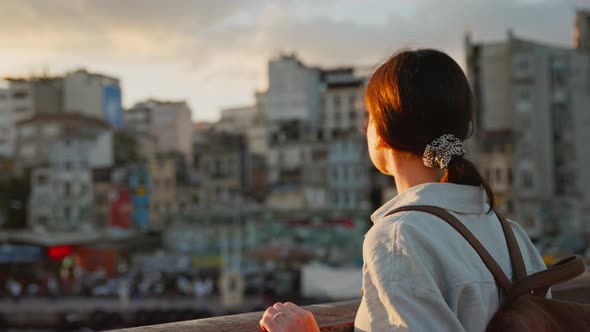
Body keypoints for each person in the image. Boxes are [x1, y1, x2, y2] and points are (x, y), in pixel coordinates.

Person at [260, 49, 547, 332]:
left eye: (369, 116)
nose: (365, 128)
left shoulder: (398, 238)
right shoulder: (513, 236)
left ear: (383, 131)